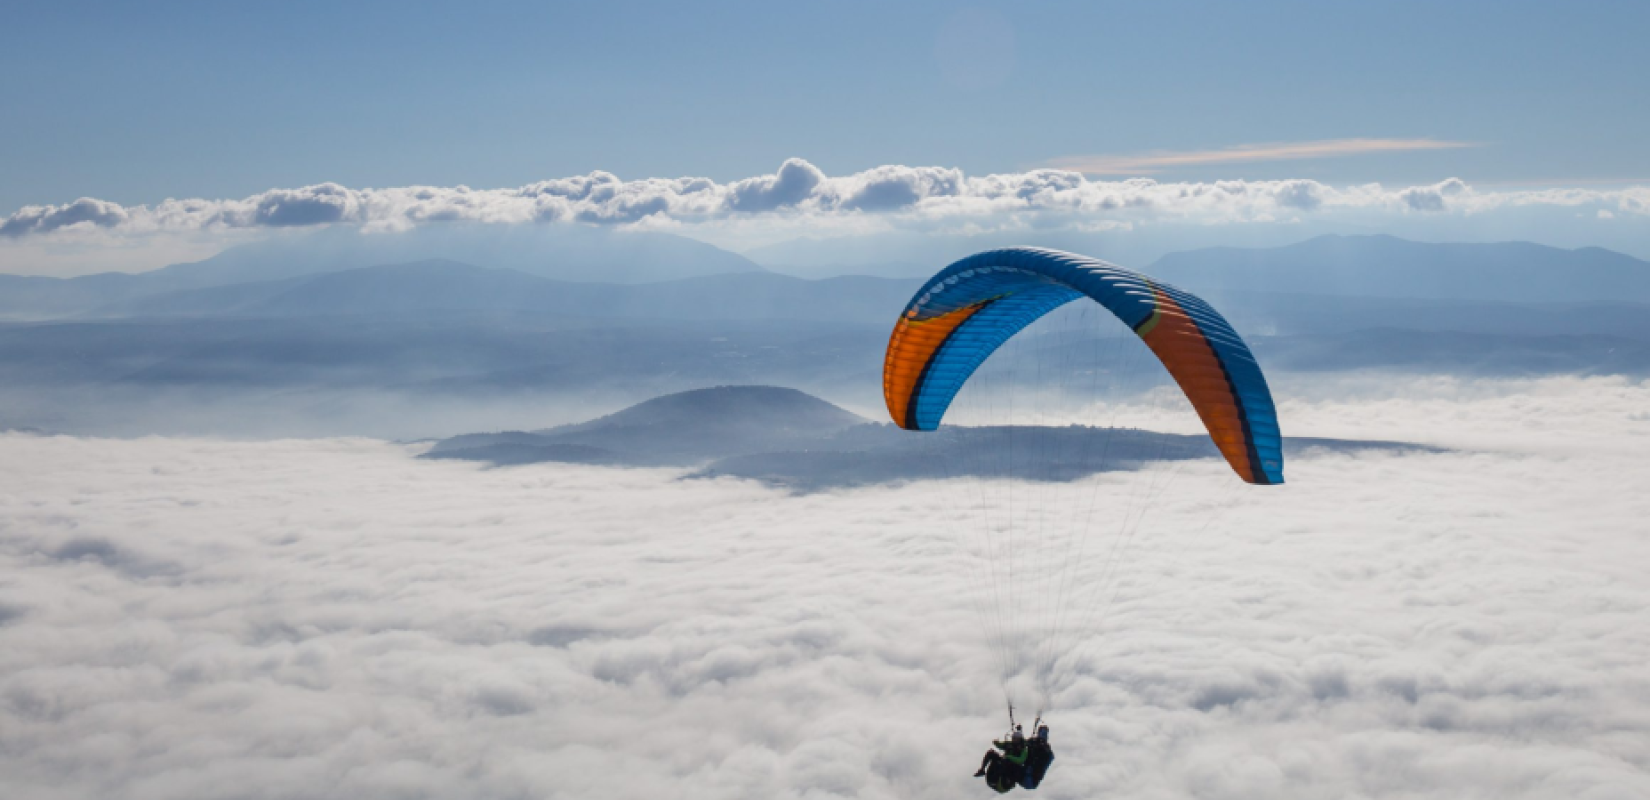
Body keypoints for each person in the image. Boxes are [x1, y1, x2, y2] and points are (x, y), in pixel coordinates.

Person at [972, 725, 1030, 793]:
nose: (1014, 740)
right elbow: (1001, 745)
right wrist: (996, 742)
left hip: (1007, 778)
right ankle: (982, 770)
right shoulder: (1010, 744)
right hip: (1002, 767)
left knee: (1005, 761)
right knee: (991, 753)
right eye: (1013, 738)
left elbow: (1021, 760)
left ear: (1020, 740)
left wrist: (1008, 757)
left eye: (1016, 739)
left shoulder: (1023, 750)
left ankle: (997, 777)